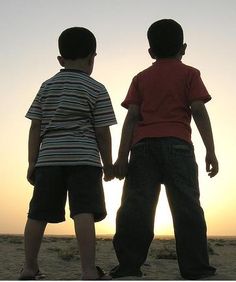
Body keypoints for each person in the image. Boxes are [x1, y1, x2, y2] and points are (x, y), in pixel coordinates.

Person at [111, 19, 218, 280]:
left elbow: (132, 118)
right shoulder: (190, 73)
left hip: (143, 149)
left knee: (135, 208)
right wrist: (211, 151)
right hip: (179, 147)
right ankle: (196, 269)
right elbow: (199, 110)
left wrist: (121, 156)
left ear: (150, 52)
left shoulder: (140, 78)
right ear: (183, 48)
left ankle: (128, 266)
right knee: (188, 209)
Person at [19, 27, 117, 280]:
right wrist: (108, 164)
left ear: (60, 60)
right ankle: (87, 271)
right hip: (84, 159)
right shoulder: (97, 88)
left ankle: (30, 267)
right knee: (83, 212)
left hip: (49, 158)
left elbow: (35, 126)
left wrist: (33, 161)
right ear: (93, 58)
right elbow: (102, 132)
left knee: (37, 213)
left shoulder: (47, 86)